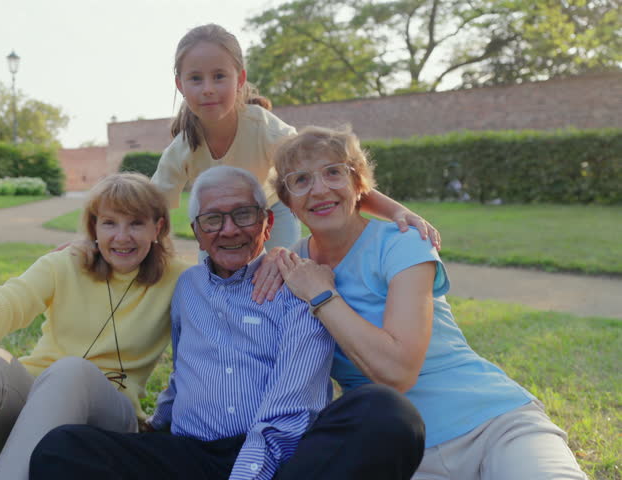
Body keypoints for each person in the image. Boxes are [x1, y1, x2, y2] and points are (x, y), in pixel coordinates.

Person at [29, 166, 425, 480]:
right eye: (213, 220)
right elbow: (186, 368)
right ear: (198, 234)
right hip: (192, 456)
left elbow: (288, 411)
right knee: (62, 448)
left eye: (243, 214)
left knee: (386, 413)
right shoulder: (185, 286)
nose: (230, 229)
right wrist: (158, 424)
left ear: (267, 224)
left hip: (283, 461)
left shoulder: (300, 284)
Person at [269, 126, 587, 480]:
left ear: (359, 184)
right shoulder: (289, 268)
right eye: (301, 180)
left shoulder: (402, 243)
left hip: (493, 422)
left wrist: (323, 296)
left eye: (334, 173)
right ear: (288, 202)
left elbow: (398, 372)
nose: (320, 189)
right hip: (399, 449)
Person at [0, 173, 190, 480]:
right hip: (33, 417)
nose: (122, 237)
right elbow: (0, 303)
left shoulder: (182, 280)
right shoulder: (66, 264)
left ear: (157, 227)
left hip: (107, 424)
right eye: (109, 222)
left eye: (136, 223)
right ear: (94, 226)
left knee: (71, 371)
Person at [151, 23, 441, 254]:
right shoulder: (182, 150)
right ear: (180, 84)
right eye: (196, 79)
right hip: (218, 221)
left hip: (272, 209)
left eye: (219, 76)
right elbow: (152, 208)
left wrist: (398, 212)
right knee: (216, 280)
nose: (208, 89)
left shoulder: (266, 129)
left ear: (240, 79)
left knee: (282, 275)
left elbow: (330, 179)